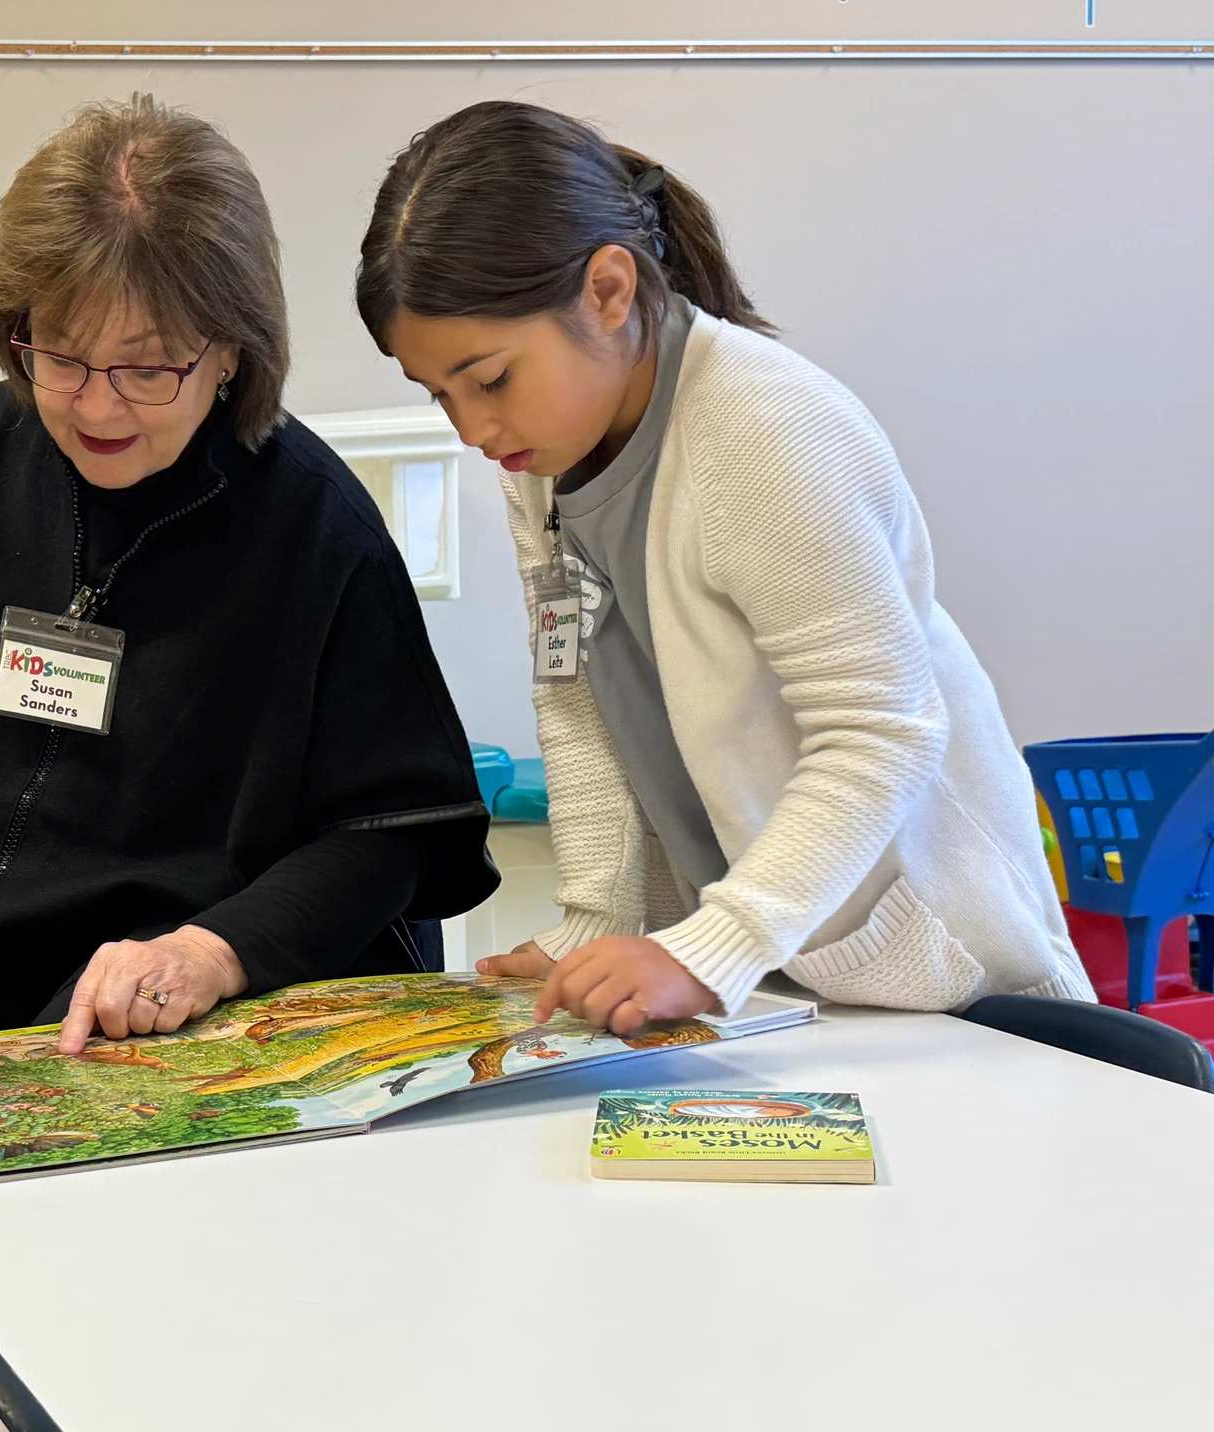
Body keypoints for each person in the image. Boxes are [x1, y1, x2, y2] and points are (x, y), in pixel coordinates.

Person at [356, 100, 1092, 1032]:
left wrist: (717, 946)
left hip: (932, 979)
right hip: (779, 979)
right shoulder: (540, 458)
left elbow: (883, 733)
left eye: (490, 377)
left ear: (610, 291)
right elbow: (576, 697)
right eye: (439, 393)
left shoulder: (764, 429)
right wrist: (594, 926)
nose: (472, 429)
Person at [0, 93, 497, 1054]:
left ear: (230, 350)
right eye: (62, 355)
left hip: (214, 990)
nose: (98, 406)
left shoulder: (313, 524)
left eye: (149, 369)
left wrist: (211, 952)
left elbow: (397, 832)